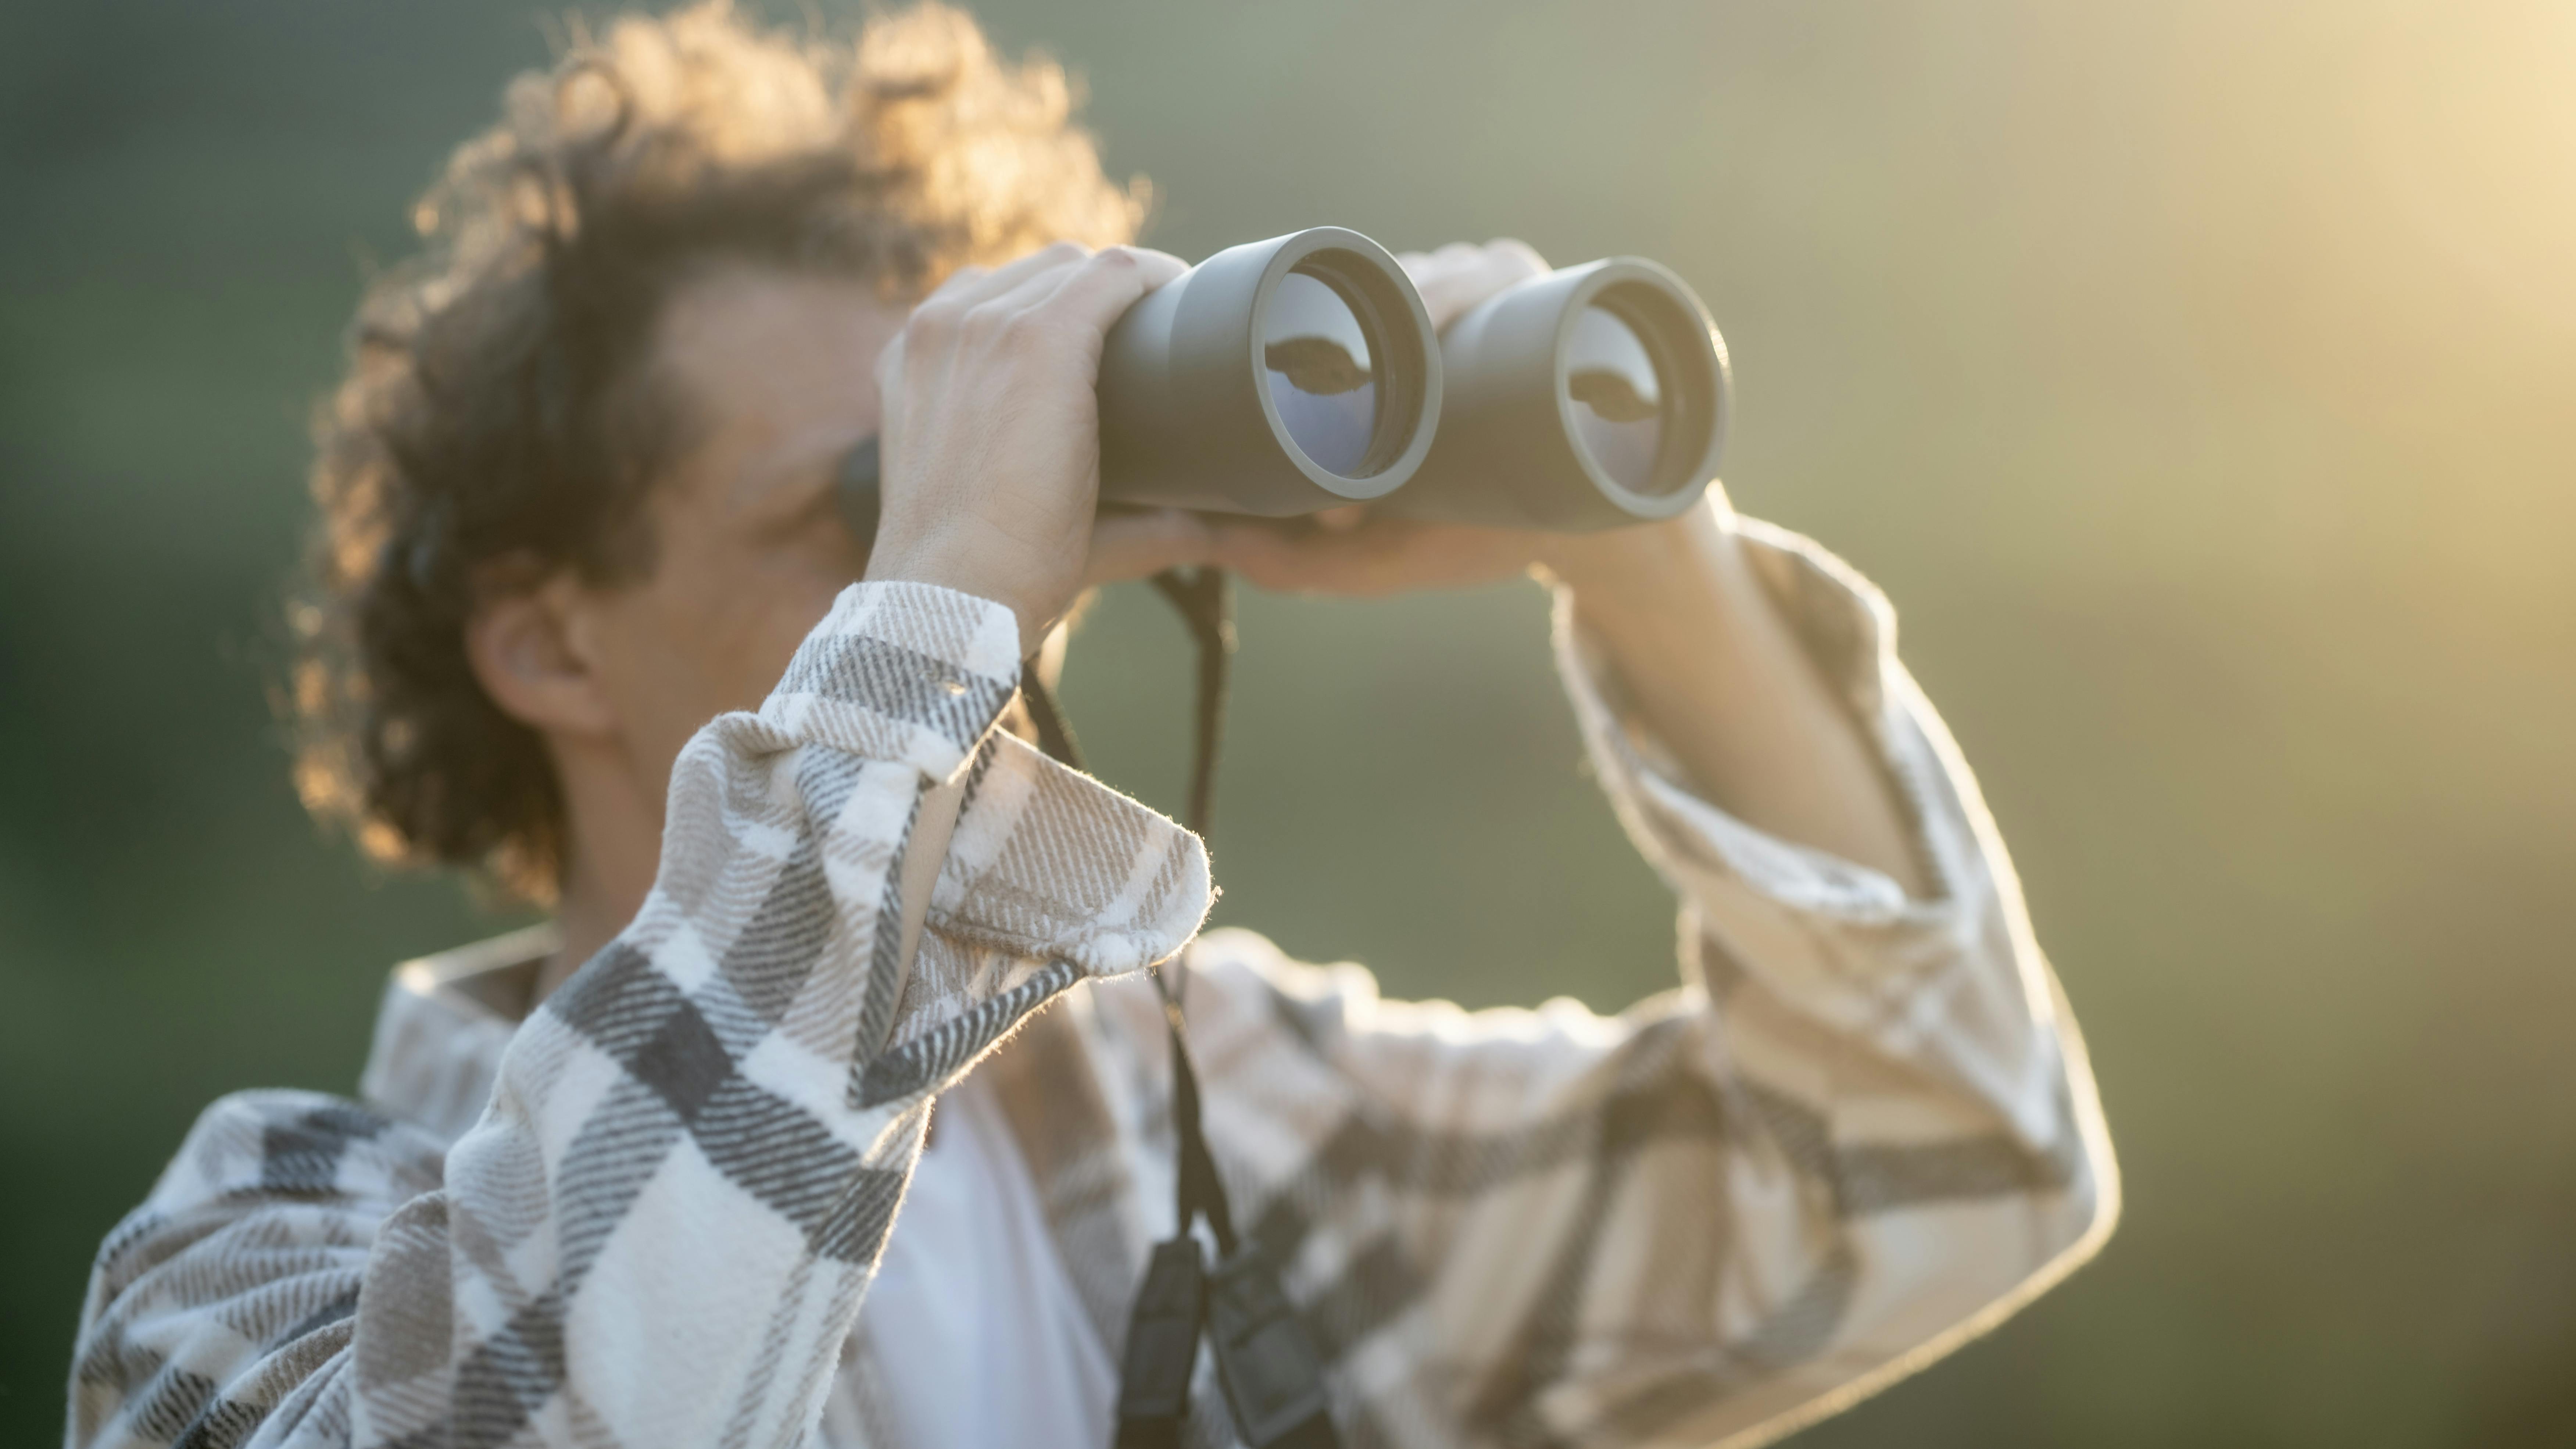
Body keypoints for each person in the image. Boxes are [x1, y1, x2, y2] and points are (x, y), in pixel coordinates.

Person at [65, 5, 2117, 1447]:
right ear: (547, 646)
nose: (1002, 590)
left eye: (1023, 481)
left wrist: (1650, 555)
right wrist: (937, 574)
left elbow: (1948, 1177)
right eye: (857, 508)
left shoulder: (1203, 1119)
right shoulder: (260, 1263)